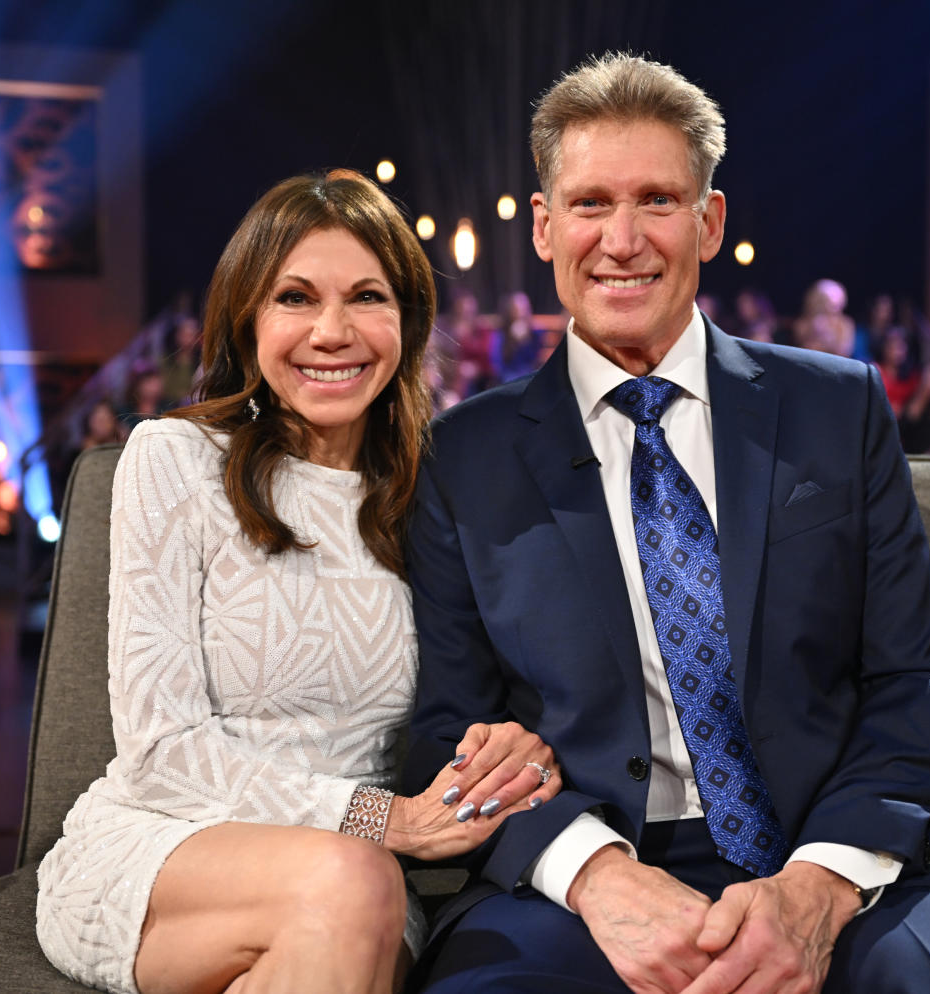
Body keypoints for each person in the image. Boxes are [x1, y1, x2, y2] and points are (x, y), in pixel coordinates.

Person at [403, 54, 930, 993]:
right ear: (544, 227)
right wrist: (596, 875)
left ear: (711, 220)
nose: (622, 240)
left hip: (838, 846)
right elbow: (446, 727)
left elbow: (918, 681)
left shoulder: (838, 407)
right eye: (589, 205)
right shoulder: (464, 455)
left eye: (658, 199)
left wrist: (820, 884)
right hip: (585, 867)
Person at [35, 169, 560, 994]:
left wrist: (505, 750)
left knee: (351, 898)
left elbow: (476, 704)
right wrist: (385, 820)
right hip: (174, 847)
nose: (332, 330)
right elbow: (159, 752)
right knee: (349, 884)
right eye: (295, 297)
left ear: (406, 320)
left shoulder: (440, 490)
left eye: (366, 296)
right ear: (247, 319)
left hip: (372, 885)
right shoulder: (174, 461)